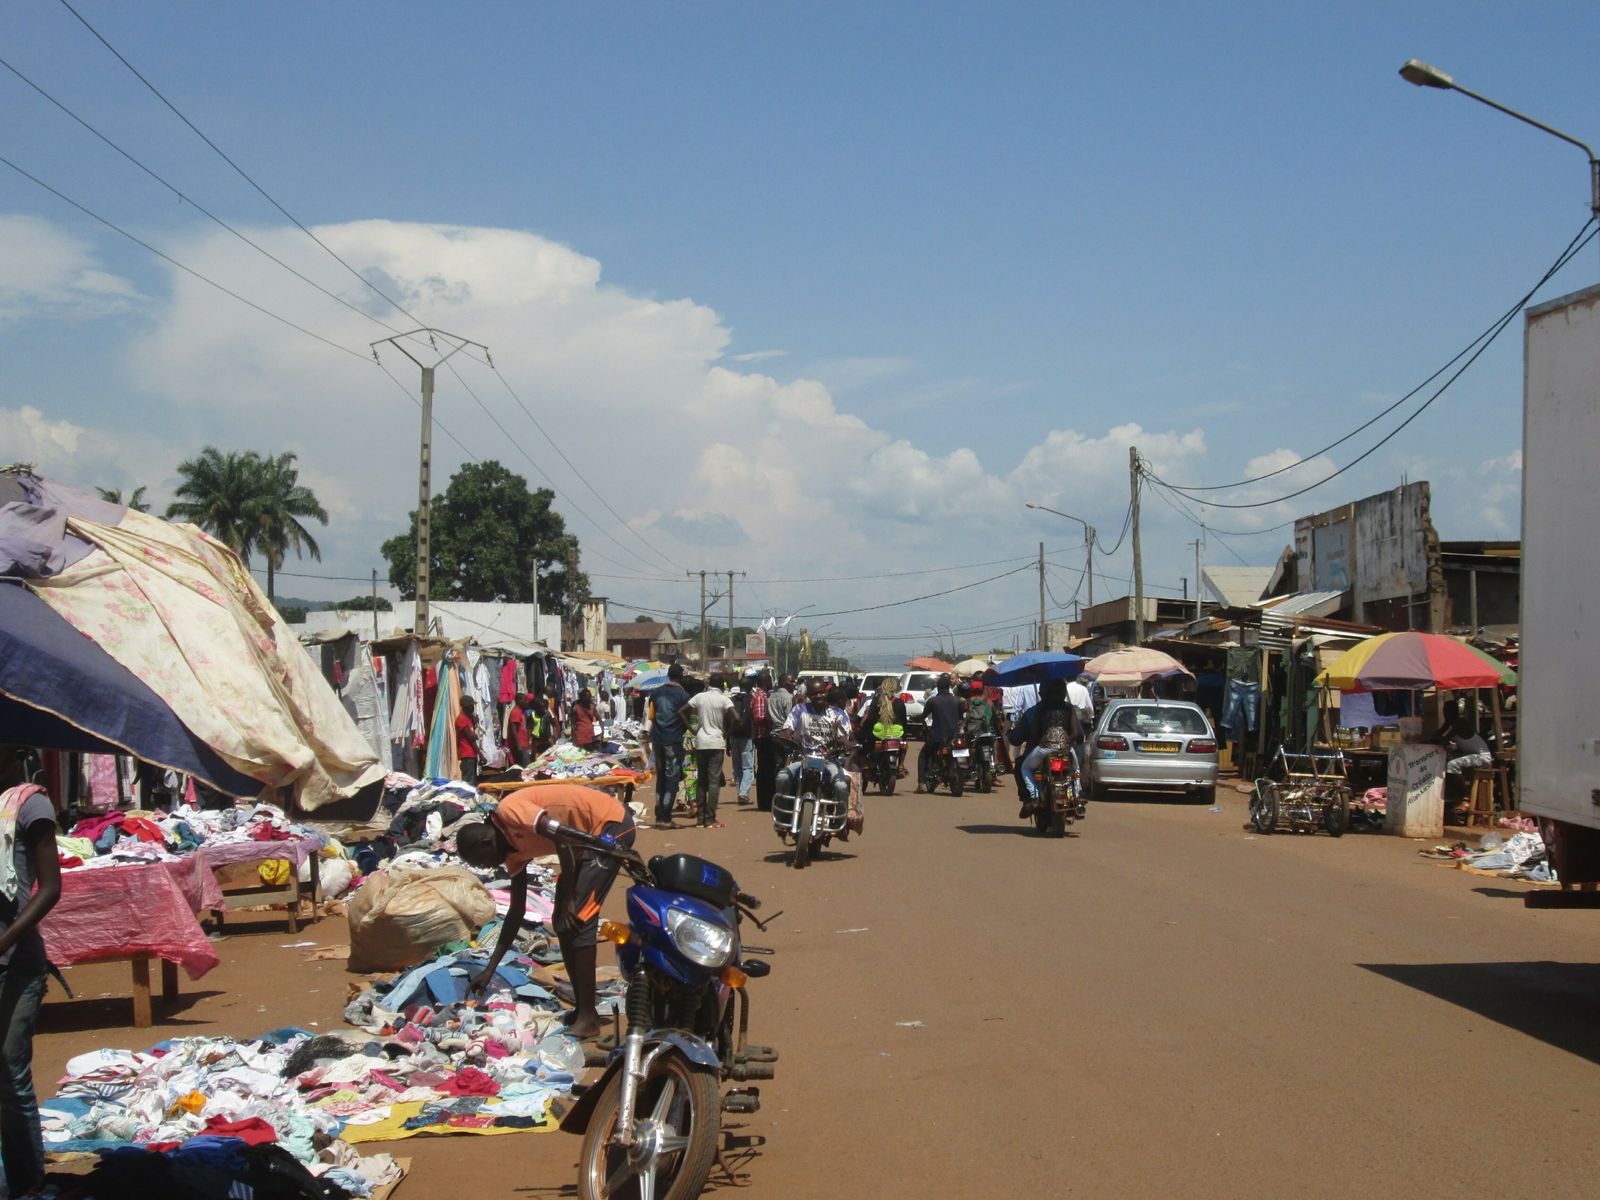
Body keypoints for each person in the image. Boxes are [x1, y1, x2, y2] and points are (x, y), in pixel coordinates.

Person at [461, 784, 634, 1040]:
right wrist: (490, 969)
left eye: (483, 861)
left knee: (580, 917)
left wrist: (566, 900)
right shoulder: (513, 855)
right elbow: (515, 912)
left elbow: (562, 837)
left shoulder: (510, 812)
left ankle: (588, 1017)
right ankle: (584, 1009)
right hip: (580, 845)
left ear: (486, 842)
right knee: (561, 921)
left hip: (610, 824)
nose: (488, 867)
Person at [0, 745, 62, 1197]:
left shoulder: (30, 804)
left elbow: (50, 888)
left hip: (17, 963)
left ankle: (28, 1183)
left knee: (9, 1067)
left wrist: (4, 940)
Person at [774, 684, 853, 814]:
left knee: (841, 786)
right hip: (803, 758)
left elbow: (845, 736)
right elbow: (788, 728)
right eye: (814, 694)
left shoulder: (837, 713)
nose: (819, 696)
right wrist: (786, 735)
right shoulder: (799, 710)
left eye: (821, 692)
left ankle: (840, 821)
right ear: (808, 696)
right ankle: (782, 815)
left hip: (829, 760)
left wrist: (845, 742)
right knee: (782, 778)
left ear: (826, 693)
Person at [1009, 679, 1082, 817]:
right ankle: (1076, 796)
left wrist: (1041, 741)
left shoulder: (1036, 710)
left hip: (1043, 748)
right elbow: (1077, 733)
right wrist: (1067, 742)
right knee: (1076, 770)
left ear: (1042, 693)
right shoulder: (1069, 708)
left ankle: (1032, 797)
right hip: (1066, 749)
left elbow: (1018, 738)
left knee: (1023, 766)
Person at [648, 664, 691, 827]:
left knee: (661, 778)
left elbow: (651, 715)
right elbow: (686, 716)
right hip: (672, 740)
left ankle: (659, 815)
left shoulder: (656, 692)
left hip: (657, 739)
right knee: (672, 778)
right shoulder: (683, 695)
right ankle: (665, 817)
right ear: (680, 676)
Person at [687, 679, 733, 828]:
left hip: (701, 741)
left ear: (709, 685)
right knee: (713, 781)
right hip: (716, 742)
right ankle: (710, 817)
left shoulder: (700, 697)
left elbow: (681, 710)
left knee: (701, 780)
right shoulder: (724, 699)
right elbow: (737, 717)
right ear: (722, 687)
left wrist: (693, 729)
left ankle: (700, 818)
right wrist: (727, 733)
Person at [916, 675, 963, 793]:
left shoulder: (933, 701)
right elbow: (961, 718)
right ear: (949, 686)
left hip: (937, 736)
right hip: (954, 736)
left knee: (923, 755)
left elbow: (923, 716)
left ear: (937, 687)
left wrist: (915, 719)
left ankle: (921, 783)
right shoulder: (957, 700)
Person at [726, 675, 757, 805]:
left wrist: (727, 739)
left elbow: (727, 720)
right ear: (750, 688)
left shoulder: (731, 700)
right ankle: (744, 793)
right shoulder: (752, 700)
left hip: (733, 736)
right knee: (748, 767)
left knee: (737, 766)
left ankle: (740, 792)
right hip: (747, 737)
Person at [750, 670, 776, 812]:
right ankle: (764, 802)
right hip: (763, 736)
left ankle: (767, 800)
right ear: (765, 681)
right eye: (770, 680)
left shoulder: (764, 695)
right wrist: (772, 719)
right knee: (765, 771)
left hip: (764, 736)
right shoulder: (760, 696)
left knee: (766, 770)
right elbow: (759, 717)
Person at [1065, 675, 1096, 774]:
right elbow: (1089, 707)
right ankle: (1078, 768)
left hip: (1068, 721)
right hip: (1081, 722)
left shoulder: (1065, 688)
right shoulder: (1083, 689)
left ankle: (1068, 765)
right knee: (1080, 744)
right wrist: (1091, 717)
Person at [456, 694, 482, 786]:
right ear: (467, 707)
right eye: (472, 706)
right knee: (469, 782)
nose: (473, 708)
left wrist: (474, 723)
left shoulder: (468, 719)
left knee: (472, 781)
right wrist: (480, 754)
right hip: (467, 755)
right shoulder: (461, 719)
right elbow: (471, 738)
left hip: (471, 755)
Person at [507, 693, 534, 767]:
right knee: (525, 766)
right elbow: (513, 729)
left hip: (523, 744)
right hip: (519, 745)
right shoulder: (516, 712)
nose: (525, 701)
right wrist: (518, 744)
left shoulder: (521, 712)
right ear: (518, 700)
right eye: (523, 699)